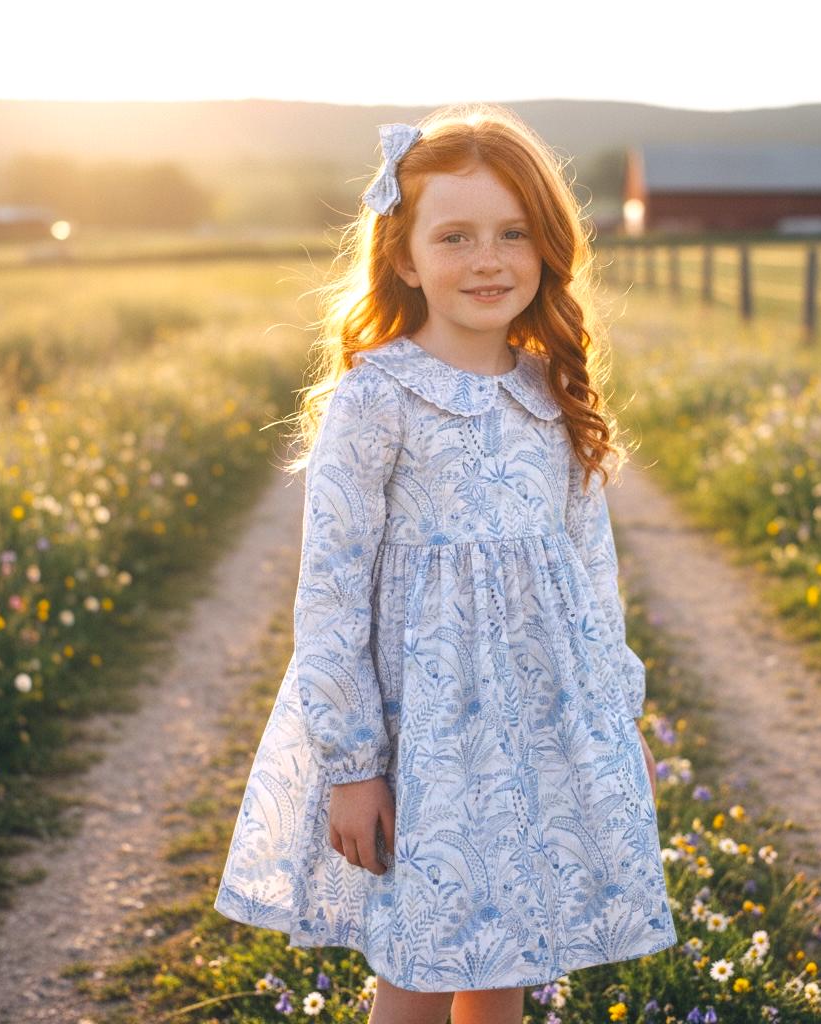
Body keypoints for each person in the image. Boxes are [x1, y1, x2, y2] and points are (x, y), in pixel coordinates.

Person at [214, 102, 679, 1024]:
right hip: (420, 733)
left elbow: (590, 570)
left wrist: (614, 708)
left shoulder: (551, 389)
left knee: (506, 952)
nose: (488, 259)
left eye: (514, 233)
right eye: (456, 235)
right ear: (403, 253)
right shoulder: (377, 397)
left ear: (547, 246)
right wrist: (352, 763)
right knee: (422, 966)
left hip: (538, 725)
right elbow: (333, 591)